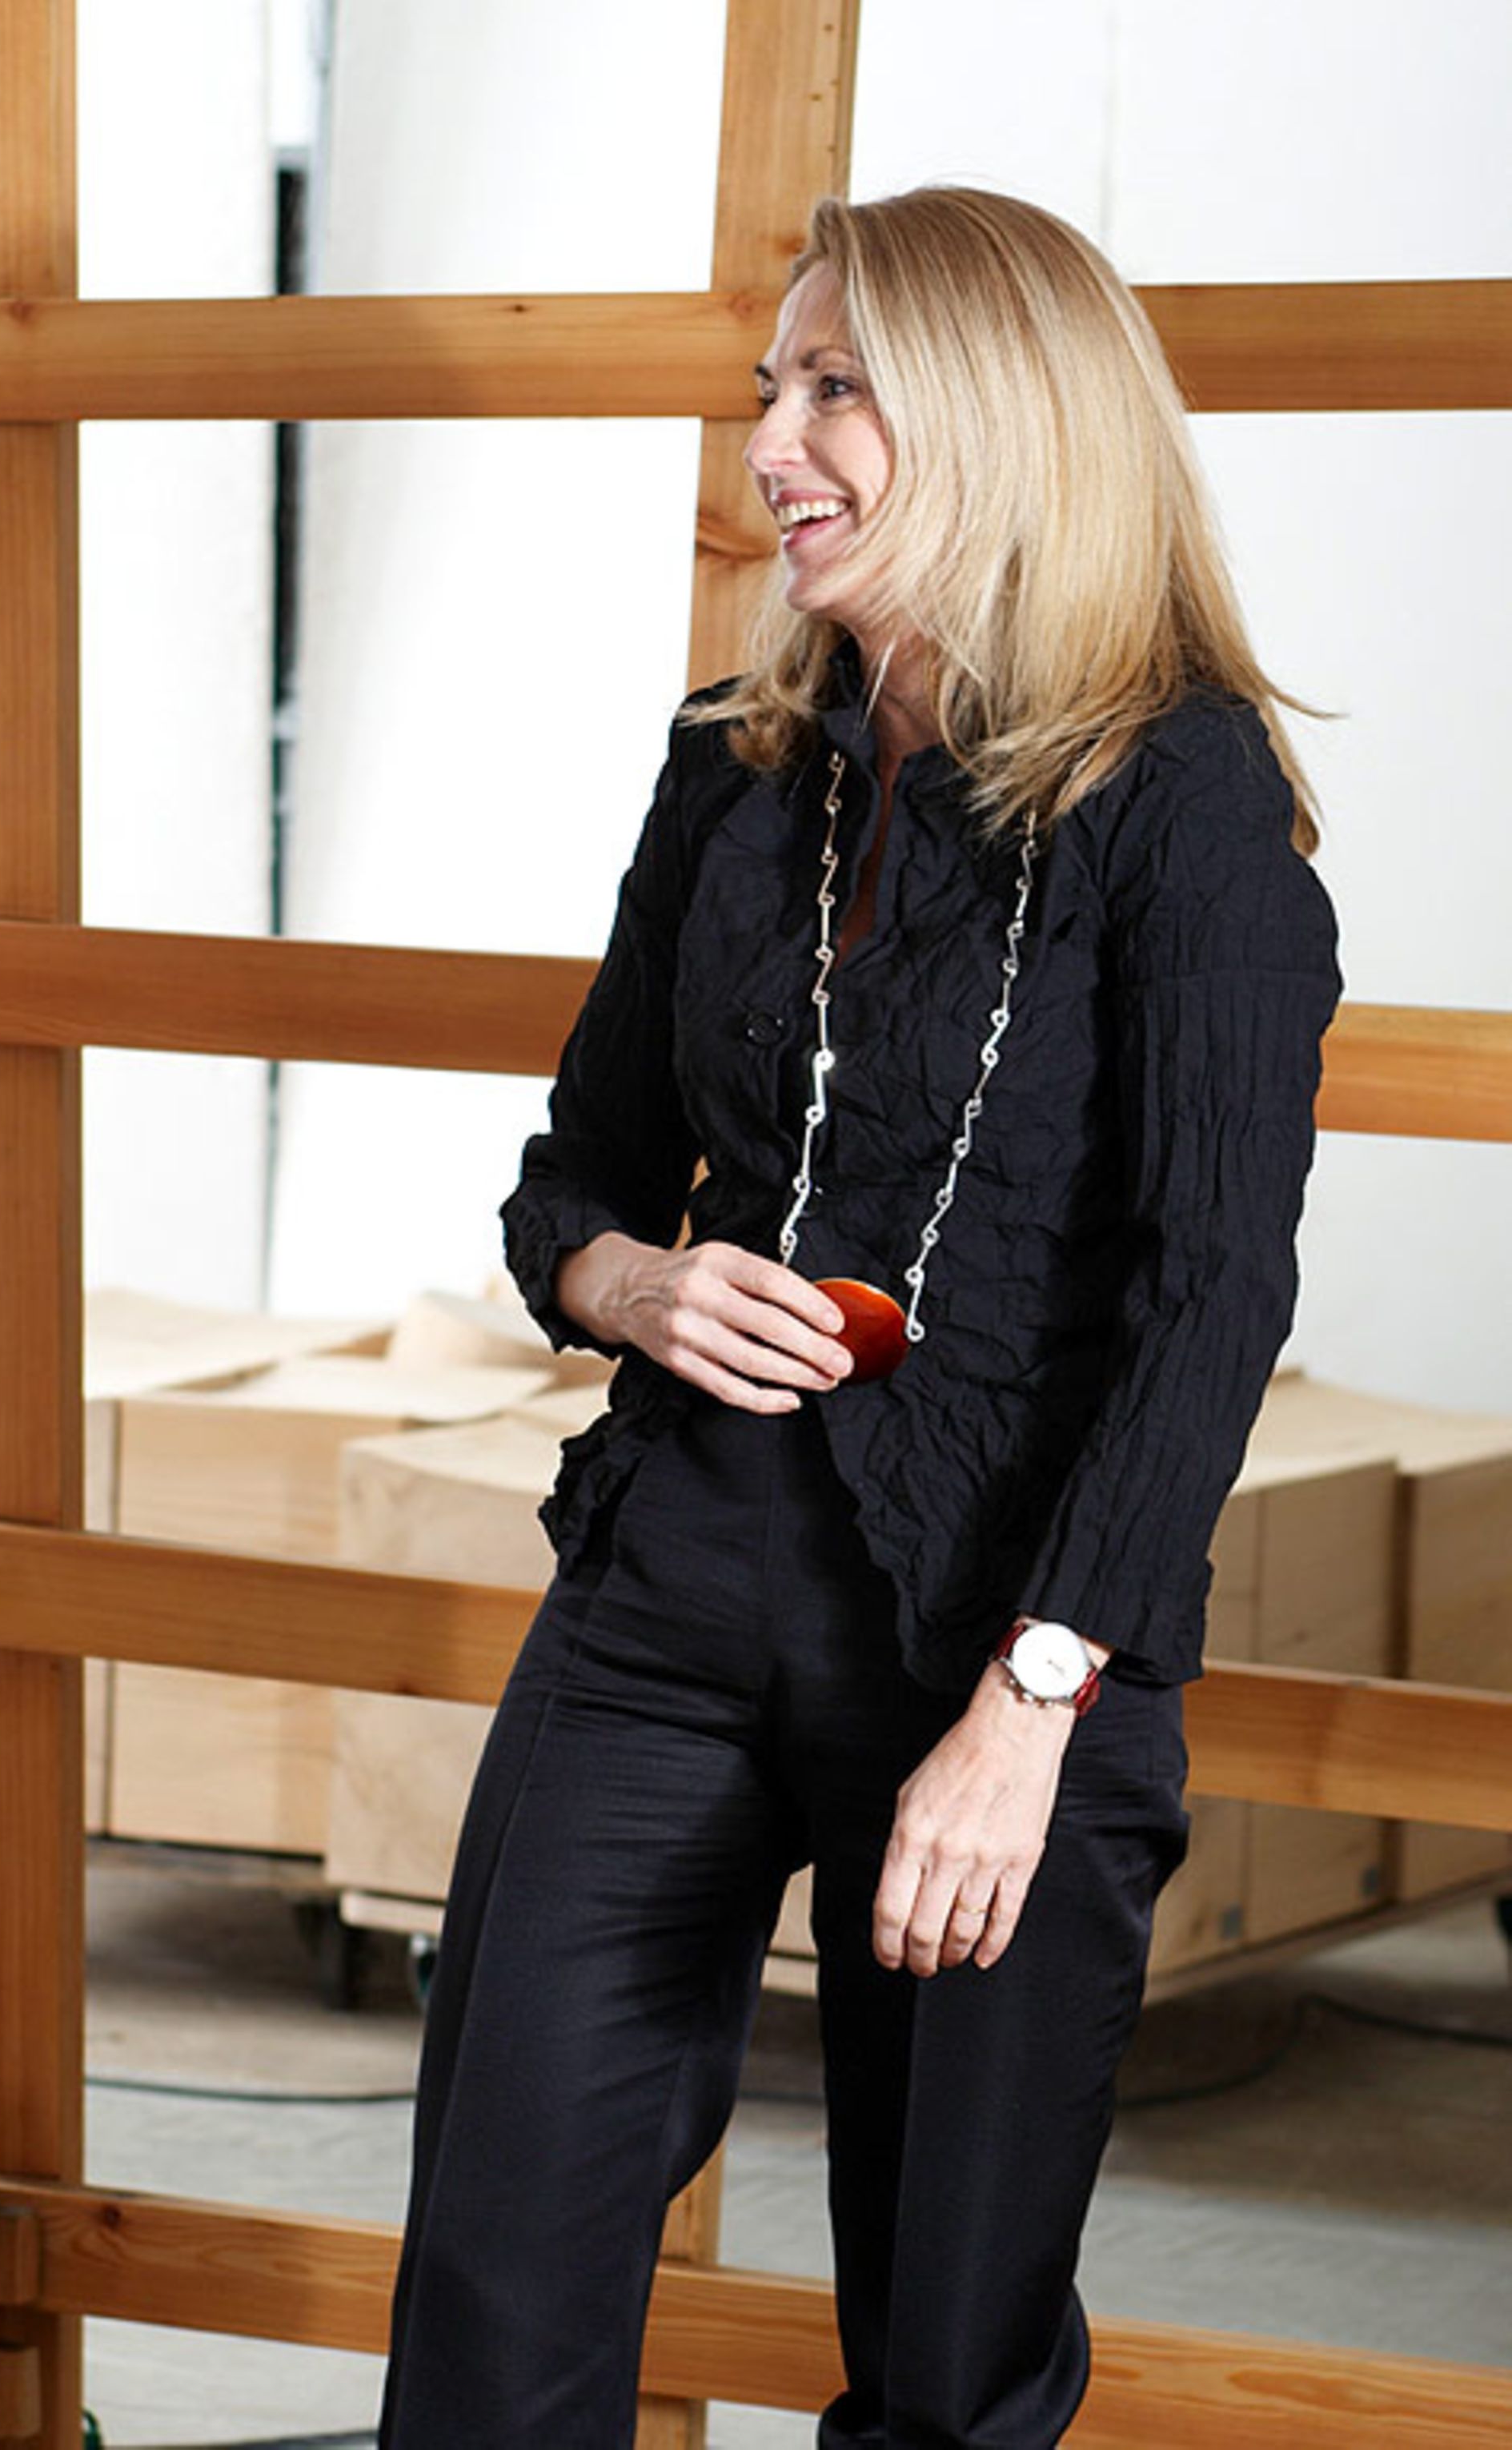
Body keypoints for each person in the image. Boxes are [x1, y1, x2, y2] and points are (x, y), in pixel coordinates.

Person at [379, 185, 1341, 2449]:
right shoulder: (736, 759)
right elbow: (572, 1178)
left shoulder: (1188, 801)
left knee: (943, 2365)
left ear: (1002, 416)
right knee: (497, 2276)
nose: (772, 447)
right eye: (767, 392)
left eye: (837, 389)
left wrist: (1029, 1710)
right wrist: (632, 1280)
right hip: (669, 1597)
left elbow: (1211, 1303)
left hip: (1008, 1636)